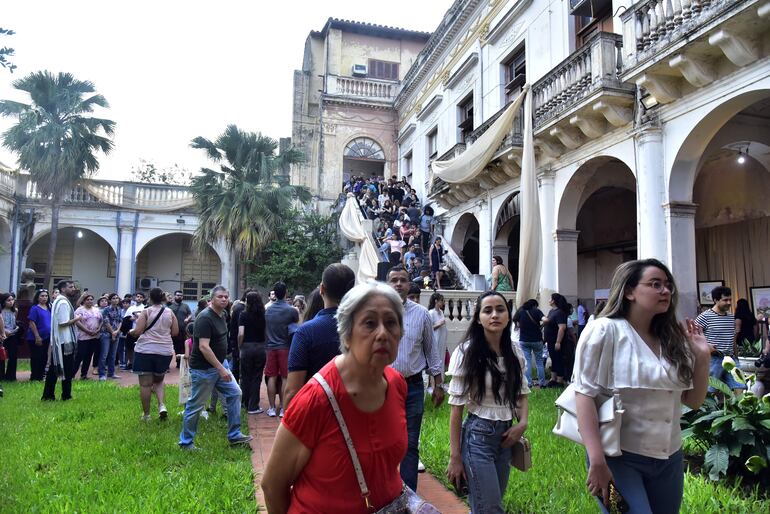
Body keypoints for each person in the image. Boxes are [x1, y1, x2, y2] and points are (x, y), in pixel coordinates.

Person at [574, 259, 709, 513]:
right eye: (655, 284)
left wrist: (701, 358)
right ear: (629, 291)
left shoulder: (672, 338)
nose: (665, 291)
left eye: (668, 285)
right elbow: (584, 395)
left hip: (669, 458)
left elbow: (693, 401)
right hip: (617, 458)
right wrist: (597, 460)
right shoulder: (604, 330)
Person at [261, 281, 408, 513]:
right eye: (369, 323)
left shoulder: (397, 384)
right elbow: (272, 486)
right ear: (347, 335)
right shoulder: (315, 400)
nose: (382, 333)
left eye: (391, 323)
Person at [446, 291, 530, 513]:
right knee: (489, 507)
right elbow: (456, 410)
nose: (495, 315)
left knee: (489, 504)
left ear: (508, 316)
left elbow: (521, 393)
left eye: (500, 309)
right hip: (477, 437)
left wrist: (522, 424)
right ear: (478, 318)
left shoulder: (515, 352)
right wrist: (455, 457)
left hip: (506, 438)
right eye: (488, 310)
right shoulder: (466, 353)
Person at [387, 265, 444, 491]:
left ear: (409, 284)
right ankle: (386, 490)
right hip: (382, 387)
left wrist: (439, 384)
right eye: (394, 280)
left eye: (403, 280)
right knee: (384, 440)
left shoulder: (421, 314)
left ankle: (408, 494)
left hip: (412, 387)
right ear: (387, 283)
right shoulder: (378, 311)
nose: (399, 284)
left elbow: (431, 352)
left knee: (410, 443)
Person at [179, 285, 252, 450]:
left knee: (235, 393)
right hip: (204, 369)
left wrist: (222, 365)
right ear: (211, 299)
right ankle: (186, 443)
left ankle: (234, 435)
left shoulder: (223, 314)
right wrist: (221, 368)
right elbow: (204, 347)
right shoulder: (205, 318)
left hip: (220, 363)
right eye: (220, 297)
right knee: (196, 405)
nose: (224, 299)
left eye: (226, 297)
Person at [284, 263, 355, 410]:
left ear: (322, 289)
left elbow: (292, 391)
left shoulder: (305, 332)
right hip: (356, 415)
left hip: (316, 414)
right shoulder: (364, 330)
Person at [130, 287, 178, 421]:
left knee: (145, 384)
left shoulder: (146, 312)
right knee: (159, 380)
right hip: (165, 350)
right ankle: (162, 405)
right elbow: (175, 332)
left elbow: (138, 331)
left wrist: (131, 332)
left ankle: (146, 415)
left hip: (146, 349)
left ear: (149, 298)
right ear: (163, 298)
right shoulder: (170, 312)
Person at [694, 286, 746, 394]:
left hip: (731, 359)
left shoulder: (731, 317)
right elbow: (693, 337)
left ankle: (737, 410)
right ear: (716, 300)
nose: (728, 302)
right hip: (713, 360)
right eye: (725, 300)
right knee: (710, 392)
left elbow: (732, 340)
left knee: (740, 387)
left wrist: (736, 357)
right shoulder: (704, 317)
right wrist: (706, 347)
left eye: (730, 300)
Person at [42, 280, 81, 401]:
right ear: (63, 289)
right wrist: (77, 318)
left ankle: (48, 395)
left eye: (73, 286)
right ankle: (66, 395)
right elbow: (63, 323)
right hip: (65, 341)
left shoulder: (58, 300)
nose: (73, 289)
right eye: (70, 287)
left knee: (54, 370)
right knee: (67, 370)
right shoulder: (63, 302)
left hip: (60, 340)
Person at [264, 282, 299, 417]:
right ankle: (284, 409)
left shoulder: (268, 310)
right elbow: (297, 325)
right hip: (285, 347)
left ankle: (272, 408)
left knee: (271, 377)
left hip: (271, 347)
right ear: (286, 293)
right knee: (285, 377)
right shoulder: (291, 310)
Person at [238, 291, 267, 415]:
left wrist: (240, 346)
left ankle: (244, 403)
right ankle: (253, 406)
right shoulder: (264, 314)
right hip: (260, 347)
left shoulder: (243, 314)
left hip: (247, 347)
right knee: (257, 377)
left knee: (245, 376)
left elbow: (241, 333)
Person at [513, 299, 546, 388]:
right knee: (539, 361)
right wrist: (541, 326)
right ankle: (542, 383)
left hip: (524, 340)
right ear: (534, 305)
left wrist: (520, 325)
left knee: (527, 361)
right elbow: (546, 320)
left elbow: (514, 319)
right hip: (537, 340)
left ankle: (529, 383)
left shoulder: (520, 311)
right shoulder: (537, 311)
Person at [542, 293, 570, 387]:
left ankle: (560, 380)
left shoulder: (560, 312)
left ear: (554, 300)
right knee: (554, 359)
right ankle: (553, 378)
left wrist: (558, 342)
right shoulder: (551, 311)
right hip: (550, 341)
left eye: (550, 298)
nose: (549, 300)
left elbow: (562, 328)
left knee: (558, 359)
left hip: (556, 340)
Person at [74, 293, 102, 380]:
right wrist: (87, 331)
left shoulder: (96, 309)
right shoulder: (79, 310)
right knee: (80, 355)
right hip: (83, 336)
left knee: (89, 356)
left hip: (94, 337)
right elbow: (77, 322)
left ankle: (84, 375)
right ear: (84, 301)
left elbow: (101, 320)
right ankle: (71, 374)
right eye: (87, 299)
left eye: (91, 299)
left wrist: (98, 329)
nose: (89, 301)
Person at [26, 289, 52, 381]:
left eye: (46, 296)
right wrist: (37, 336)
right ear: (37, 297)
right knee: (37, 357)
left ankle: (40, 376)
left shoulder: (49, 307)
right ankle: (34, 377)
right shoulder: (35, 308)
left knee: (44, 357)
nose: (44, 298)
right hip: (36, 338)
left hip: (47, 337)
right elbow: (31, 322)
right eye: (42, 296)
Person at [99, 293, 122, 380]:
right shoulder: (106, 310)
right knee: (104, 354)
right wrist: (112, 332)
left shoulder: (119, 309)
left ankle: (111, 373)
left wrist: (116, 331)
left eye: (117, 298)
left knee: (113, 355)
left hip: (116, 333)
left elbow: (120, 321)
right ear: (110, 300)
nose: (115, 300)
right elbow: (106, 322)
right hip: (106, 334)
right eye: (113, 298)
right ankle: (101, 374)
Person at [0, 293, 20, 381]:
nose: (11, 302)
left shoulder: (15, 310)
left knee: (13, 356)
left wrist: (16, 328)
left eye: (12, 300)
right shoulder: (1, 311)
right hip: (2, 335)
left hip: (12, 335)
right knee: (2, 356)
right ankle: (1, 376)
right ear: (4, 302)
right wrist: (4, 331)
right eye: (8, 300)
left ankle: (11, 377)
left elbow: (14, 322)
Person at [170, 290, 192, 368]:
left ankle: (179, 363)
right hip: (172, 330)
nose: (179, 297)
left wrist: (188, 318)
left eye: (181, 295)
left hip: (183, 330)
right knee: (172, 347)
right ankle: (167, 364)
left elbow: (190, 314)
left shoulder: (185, 306)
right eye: (178, 295)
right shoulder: (170, 306)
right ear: (174, 296)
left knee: (182, 346)